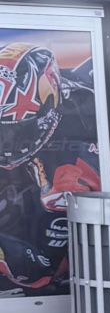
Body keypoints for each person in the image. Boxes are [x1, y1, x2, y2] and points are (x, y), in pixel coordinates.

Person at [0, 46, 101, 292]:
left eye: (16, 130)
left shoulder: (74, 159)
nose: (6, 144)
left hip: (59, 207)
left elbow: (42, 270)